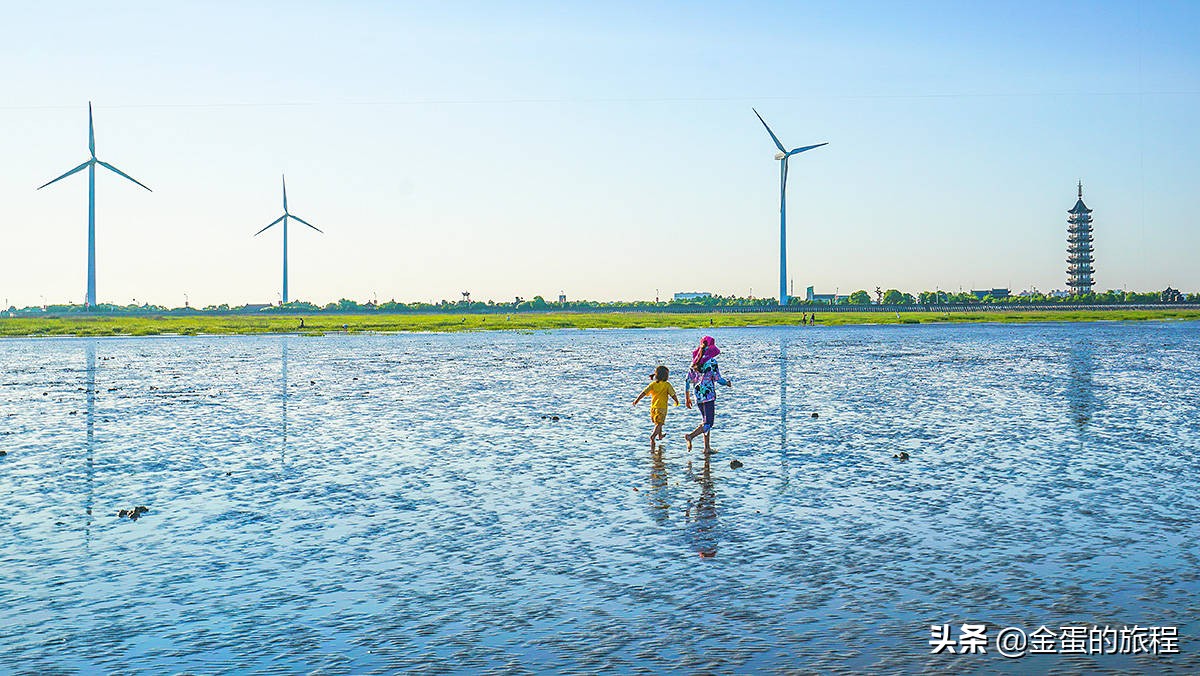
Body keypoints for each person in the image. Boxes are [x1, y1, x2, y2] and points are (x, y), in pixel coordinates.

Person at [684, 336, 732, 452]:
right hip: (708, 395)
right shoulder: (712, 362)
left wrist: (687, 398)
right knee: (709, 423)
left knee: (705, 421)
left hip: (698, 395)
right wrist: (727, 383)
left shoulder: (694, 361)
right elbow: (718, 378)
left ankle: (707, 448)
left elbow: (687, 380)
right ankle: (690, 436)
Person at [633, 365, 680, 449]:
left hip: (653, 408)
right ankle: (653, 436)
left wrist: (637, 400)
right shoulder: (667, 385)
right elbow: (673, 394)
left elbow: (644, 392)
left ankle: (660, 435)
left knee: (658, 423)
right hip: (661, 408)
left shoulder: (653, 384)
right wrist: (676, 401)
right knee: (660, 423)